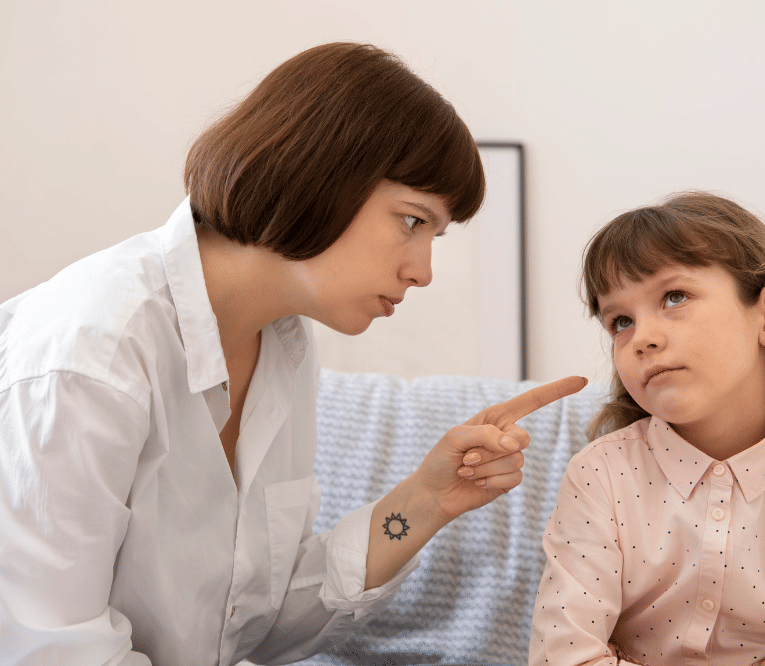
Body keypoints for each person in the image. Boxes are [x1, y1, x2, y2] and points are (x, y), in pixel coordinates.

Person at [0, 42, 585, 666]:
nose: (423, 272)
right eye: (414, 221)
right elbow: (49, 649)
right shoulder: (91, 354)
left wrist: (426, 500)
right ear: (323, 176)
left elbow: (261, 619)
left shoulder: (283, 345)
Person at [529, 192, 765, 665]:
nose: (642, 338)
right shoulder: (600, 477)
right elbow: (562, 657)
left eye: (674, 297)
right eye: (621, 321)